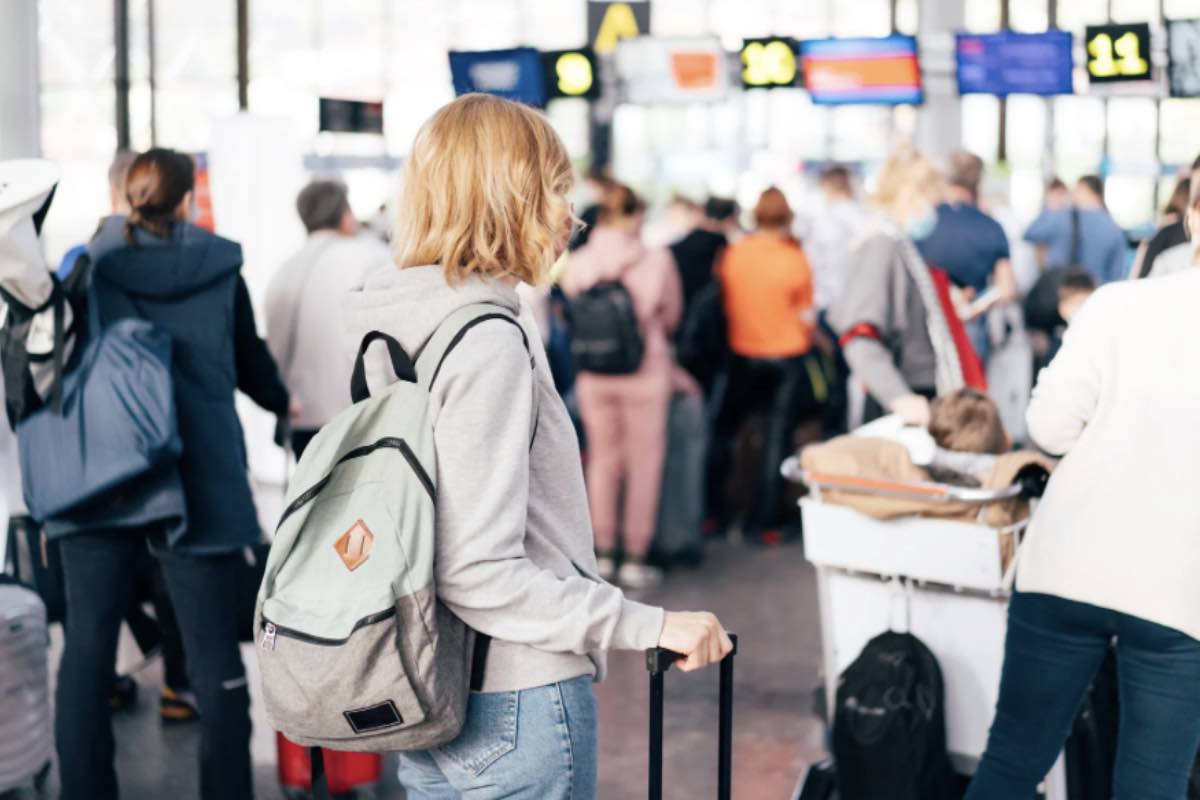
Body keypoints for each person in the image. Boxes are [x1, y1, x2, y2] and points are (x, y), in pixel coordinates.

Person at [344, 94, 732, 798]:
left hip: (426, 688)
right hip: (515, 701)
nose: (571, 219)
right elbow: (479, 568)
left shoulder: (397, 316)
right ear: (505, 197)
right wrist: (648, 624)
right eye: (554, 192)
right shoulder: (487, 336)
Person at [57, 148, 290, 800]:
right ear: (188, 199)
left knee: (86, 655)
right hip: (201, 478)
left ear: (123, 196)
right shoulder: (220, 268)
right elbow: (251, 363)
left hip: (100, 481)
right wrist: (283, 403)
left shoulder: (88, 269)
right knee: (216, 661)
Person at [965, 175, 1200, 800]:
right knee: (1152, 788)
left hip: (1068, 562)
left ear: (1191, 220)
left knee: (1012, 763)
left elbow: (1049, 426)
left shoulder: (1118, 304)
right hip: (1179, 589)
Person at [563, 183, 684, 588]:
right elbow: (670, 318)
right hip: (645, 372)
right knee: (643, 463)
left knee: (602, 461)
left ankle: (602, 553)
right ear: (636, 215)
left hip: (594, 375)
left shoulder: (579, 261)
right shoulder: (658, 260)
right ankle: (635, 554)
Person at [829, 145, 986, 428]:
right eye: (932, 199)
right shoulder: (881, 246)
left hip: (916, 392)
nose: (936, 209)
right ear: (910, 194)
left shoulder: (901, 246)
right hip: (905, 398)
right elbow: (859, 335)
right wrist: (899, 398)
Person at [712, 187, 819, 539]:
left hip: (742, 355)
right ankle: (766, 523)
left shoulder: (734, 254)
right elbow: (807, 316)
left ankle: (720, 513)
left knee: (728, 434)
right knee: (776, 437)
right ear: (788, 218)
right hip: (787, 358)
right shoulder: (795, 259)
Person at [265, 179, 391, 458]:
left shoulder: (283, 273)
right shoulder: (372, 259)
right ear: (346, 217)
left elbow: (274, 354)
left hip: (302, 421)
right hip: (361, 418)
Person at [917, 151, 1017, 360]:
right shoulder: (991, 227)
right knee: (967, 391)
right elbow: (1006, 289)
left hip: (923, 323)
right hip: (969, 327)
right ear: (979, 182)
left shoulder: (923, 221)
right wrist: (973, 308)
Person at [1024, 175, 1128, 285]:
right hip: (1095, 295)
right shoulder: (1115, 229)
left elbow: (1030, 233)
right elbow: (1117, 275)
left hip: (1062, 293)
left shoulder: (1060, 217)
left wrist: (1051, 206)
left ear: (1083, 189)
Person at [796, 165, 868, 315]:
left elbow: (811, 262)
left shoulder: (822, 222)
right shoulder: (865, 220)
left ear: (826, 186)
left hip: (827, 302)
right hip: (860, 304)